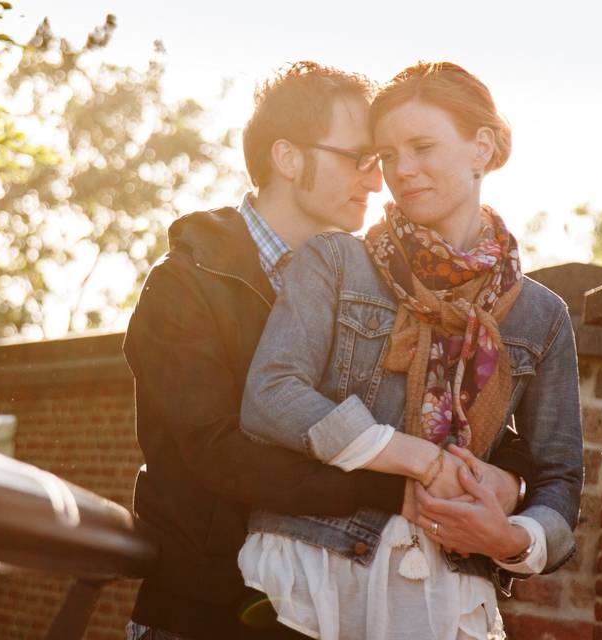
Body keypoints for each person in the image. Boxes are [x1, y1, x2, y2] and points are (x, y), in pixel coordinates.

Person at [123, 61, 534, 640]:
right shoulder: (187, 283)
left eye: (381, 162)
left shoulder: (376, 284)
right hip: (203, 610)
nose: (378, 180)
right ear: (289, 158)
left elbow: (459, 414)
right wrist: (394, 486)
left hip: (328, 618)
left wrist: (505, 479)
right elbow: (213, 452)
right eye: (360, 159)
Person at [239, 61, 583, 640]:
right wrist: (421, 458)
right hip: (312, 580)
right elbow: (270, 397)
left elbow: (560, 482)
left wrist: (510, 539)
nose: (402, 171)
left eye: (422, 146)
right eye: (387, 154)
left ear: (482, 148)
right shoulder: (336, 261)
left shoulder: (541, 316)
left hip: (448, 599)